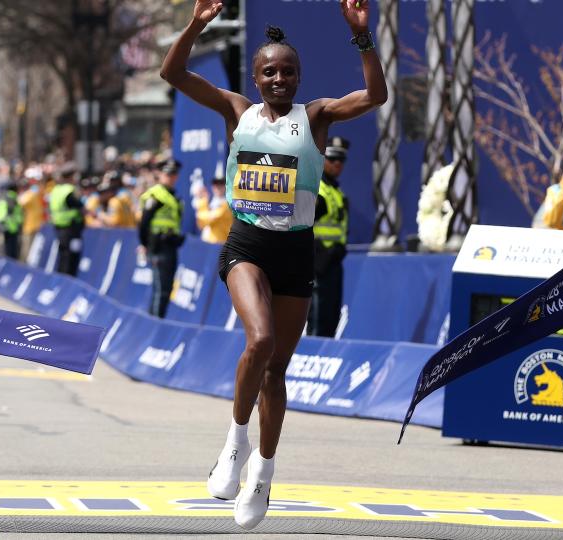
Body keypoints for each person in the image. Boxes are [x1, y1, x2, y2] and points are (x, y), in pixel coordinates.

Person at [160, 0, 386, 529]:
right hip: (247, 245)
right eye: (269, 71)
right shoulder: (236, 112)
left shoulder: (316, 117)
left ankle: (263, 472)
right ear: (256, 78)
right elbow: (171, 72)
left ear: (298, 76)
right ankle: (235, 443)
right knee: (258, 342)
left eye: (287, 71)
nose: (278, 78)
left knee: (276, 373)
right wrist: (196, 25)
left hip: (295, 252)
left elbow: (376, 96)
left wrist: (362, 37)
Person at [308, 136, 350, 337]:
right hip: (318, 263)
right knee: (318, 317)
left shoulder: (336, 190)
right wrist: (317, 254)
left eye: (341, 161)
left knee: (332, 315)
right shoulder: (318, 189)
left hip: (334, 262)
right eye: (332, 159)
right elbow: (301, 224)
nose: (338, 165)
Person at [138, 158, 184, 318]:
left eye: (173, 174)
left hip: (169, 246)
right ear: (160, 174)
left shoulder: (172, 196)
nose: (170, 177)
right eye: (167, 174)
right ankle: (156, 324)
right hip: (158, 246)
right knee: (161, 289)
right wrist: (145, 244)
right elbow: (144, 222)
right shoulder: (157, 194)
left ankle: (156, 321)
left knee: (166, 289)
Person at [50, 163, 85, 276]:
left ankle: (61, 280)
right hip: (71, 229)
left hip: (59, 227)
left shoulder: (56, 189)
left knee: (63, 256)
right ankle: (67, 280)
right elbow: (80, 207)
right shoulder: (69, 190)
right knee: (71, 258)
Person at [193, 174, 233, 243]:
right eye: (216, 184)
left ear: (226, 186)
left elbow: (209, 218)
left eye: (221, 184)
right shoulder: (210, 203)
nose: (218, 187)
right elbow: (200, 223)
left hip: (221, 244)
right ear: (212, 186)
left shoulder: (227, 204)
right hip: (208, 243)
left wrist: (203, 200)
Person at [0, 182, 23, 259]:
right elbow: (17, 214)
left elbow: (0, 214)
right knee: (12, 250)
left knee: (7, 249)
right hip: (13, 227)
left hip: (6, 226)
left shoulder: (4, 197)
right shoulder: (14, 198)